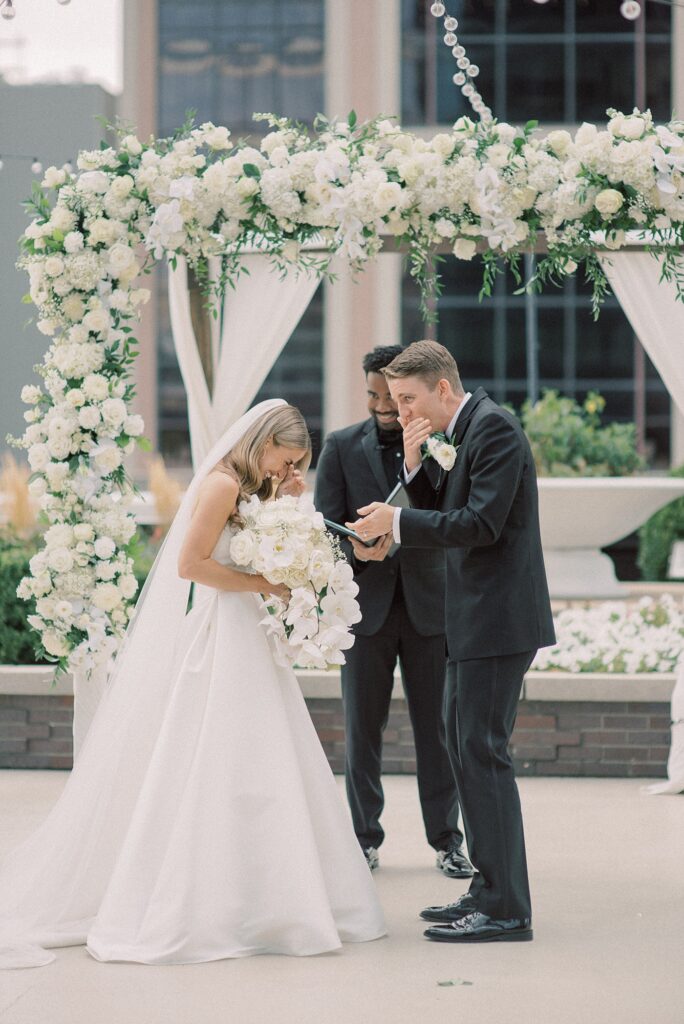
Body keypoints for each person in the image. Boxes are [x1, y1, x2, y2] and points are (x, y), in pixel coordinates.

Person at [0, 400, 385, 969]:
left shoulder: (256, 485)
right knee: (216, 752)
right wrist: (267, 583)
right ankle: (212, 903)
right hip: (221, 631)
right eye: (286, 457)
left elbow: (277, 538)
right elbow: (190, 565)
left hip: (249, 632)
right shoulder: (221, 485)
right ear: (263, 442)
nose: (288, 469)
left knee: (265, 756)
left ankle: (272, 895)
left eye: (298, 462)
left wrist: (289, 506)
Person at [350, 340, 556, 944]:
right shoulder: (466, 431)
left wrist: (397, 522)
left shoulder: (494, 430)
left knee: (481, 753)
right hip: (473, 618)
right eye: (394, 401)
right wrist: (415, 472)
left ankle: (506, 909)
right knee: (461, 745)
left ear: (443, 388)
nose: (401, 411)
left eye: (409, 399)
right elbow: (450, 508)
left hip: (497, 622)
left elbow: (480, 525)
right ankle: (488, 889)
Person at [314, 346, 470, 878]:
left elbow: (452, 517)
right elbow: (324, 528)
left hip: (431, 607)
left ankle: (448, 842)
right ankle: (362, 840)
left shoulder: (446, 443)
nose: (384, 406)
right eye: (374, 396)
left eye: (393, 396)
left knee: (439, 731)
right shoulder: (338, 447)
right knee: (362, 730)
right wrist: (355, 548)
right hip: (364, 610)